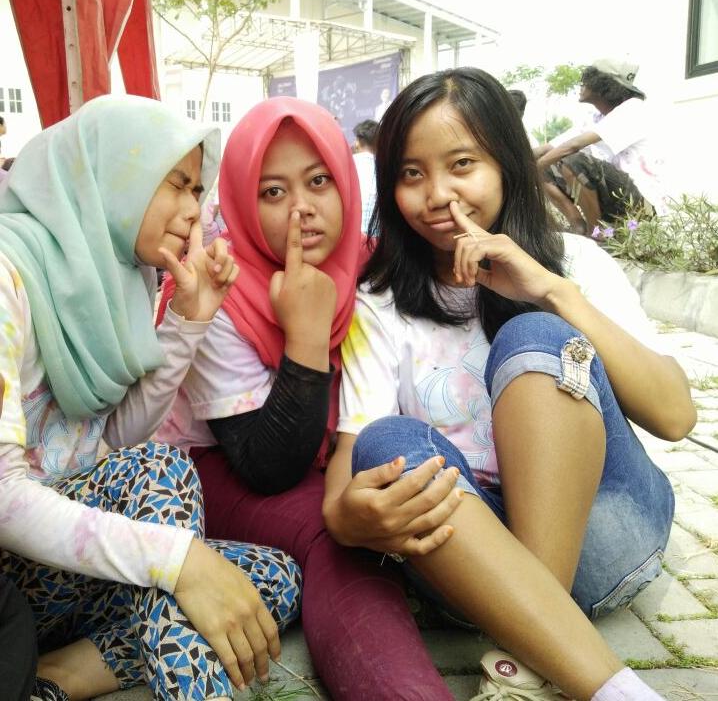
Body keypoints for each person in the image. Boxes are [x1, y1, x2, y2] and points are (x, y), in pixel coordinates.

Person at [323, 67, 696, 701]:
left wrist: (550, 292)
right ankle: (590, 674)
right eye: (411, 173)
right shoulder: (379, 303)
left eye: (461, 164)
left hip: (607, 533)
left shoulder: (576, 264)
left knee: (535, 338)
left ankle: (541, 651)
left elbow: (676, 416)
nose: (438, 194)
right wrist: (348, 518)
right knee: (388, 441)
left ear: (505, 164)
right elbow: (348, 471)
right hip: (475, 565)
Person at [0, 95, 301, 701]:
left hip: (67, 568)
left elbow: (106, 441)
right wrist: (176, 560)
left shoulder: (120, 276)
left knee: (270, 579)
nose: (194, 209)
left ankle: (54, 677)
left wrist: (189, 321)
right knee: (164, 478)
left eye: (199, 189)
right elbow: (4, 497)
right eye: (177, 184)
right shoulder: (10, 276)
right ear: (114, 173)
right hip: (13, 572)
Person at [157, 96, 457, 701]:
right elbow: (268, 468)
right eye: (272, 192)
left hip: (330, 455)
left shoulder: (373, 267)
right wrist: (306, 338)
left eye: (319, 181)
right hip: (220, 466)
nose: (303, 209)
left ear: (347, 182)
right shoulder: (220, 287)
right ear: (241, 201)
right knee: (336, 535)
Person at [536, 59, 668, 219]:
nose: (582, 84)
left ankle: (595, 230)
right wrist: (515, 159)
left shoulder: (633, 109)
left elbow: (573, 146)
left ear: (604, 85)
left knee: (574, 160)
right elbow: (549, 148)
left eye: (587, 80)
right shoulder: (595, 118)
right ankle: (578, 224)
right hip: (616, 196)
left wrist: (531, 170)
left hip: (643, 204)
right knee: (546, 169)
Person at [352, 118, 379, 234]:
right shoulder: (384, 168)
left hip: (352, 235)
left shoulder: (348, 164)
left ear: (357, 142)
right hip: (377, 237)